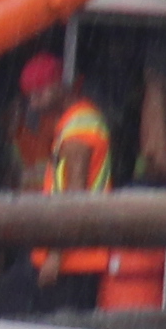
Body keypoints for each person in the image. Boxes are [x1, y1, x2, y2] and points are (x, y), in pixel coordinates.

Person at [16, 47, 119, 309]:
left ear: (58, 87)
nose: (34, 104)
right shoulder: (75, 122)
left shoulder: (79, 127)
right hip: (74, 256)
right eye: (31, 97)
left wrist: (55, 257)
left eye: (39, 94)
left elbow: (75, 196)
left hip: (74, 261)